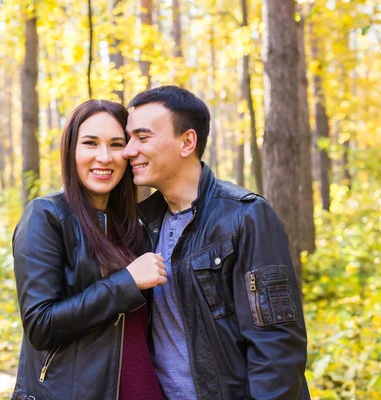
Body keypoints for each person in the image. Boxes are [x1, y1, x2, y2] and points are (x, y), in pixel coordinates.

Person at [123, 86, 310, 399]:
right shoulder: (142, 223)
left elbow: (276, 348)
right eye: (128, 139)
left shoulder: (246, 217)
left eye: (142, 138)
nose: (129, 150)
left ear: (187, 142)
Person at [11, 99, 165, 400]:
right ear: (71, 150)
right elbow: (41, 324)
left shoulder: (136, 225)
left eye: (116, 144)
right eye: (90, 143)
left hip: (140, 387)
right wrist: (127, 283)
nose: (104, 157)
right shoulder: (46, 216)